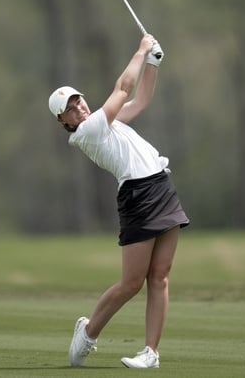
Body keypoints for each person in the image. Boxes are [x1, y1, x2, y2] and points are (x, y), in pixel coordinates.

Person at [48, 34, 190, 369]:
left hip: (161, 186)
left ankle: (150, 353)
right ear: (64, 122)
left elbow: (139, 100)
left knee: (160, 276)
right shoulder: (88, 132)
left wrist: (152, 63)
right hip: (138, 197)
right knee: (131, 284)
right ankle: (88, 332)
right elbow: (123, 89)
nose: (78, 107)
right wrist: (141, 51)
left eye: (78, 100)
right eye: (70, 108)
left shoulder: (105, 120)